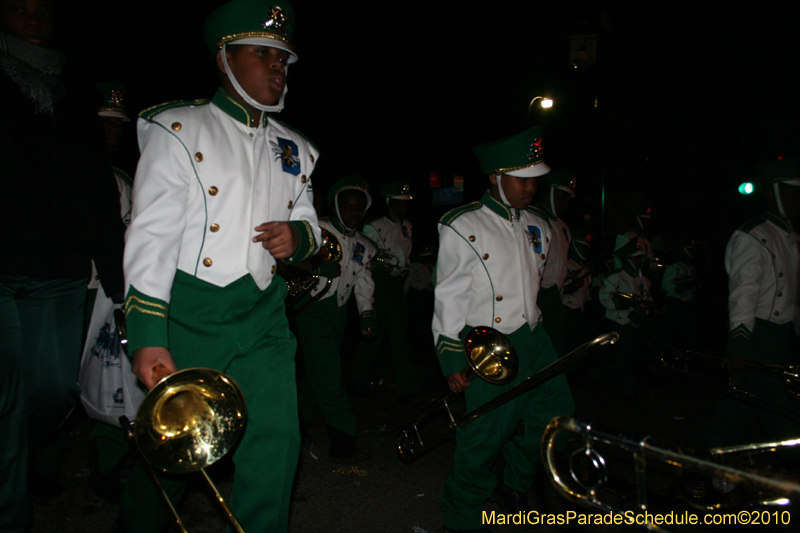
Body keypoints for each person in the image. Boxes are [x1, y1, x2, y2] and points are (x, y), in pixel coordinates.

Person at [119, 1, 320, 532]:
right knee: (175, 454)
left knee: (277, 441)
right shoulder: (178, 128)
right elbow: (152, 237)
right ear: (224, 58)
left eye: (283, 59)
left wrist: (300, 236)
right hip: (190, 312)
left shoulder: (295, 149)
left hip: (264, 316)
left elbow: (310, 221)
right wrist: (146, 335)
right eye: (262, 54)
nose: (278, 67)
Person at [0, 1, 126, 529]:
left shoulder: (75, 101)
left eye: (44, 10)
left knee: (53, 391)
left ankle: (21, 458)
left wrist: (119, 285)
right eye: (21, 8)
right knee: (4, 402)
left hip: (60, 271)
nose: (34, 17)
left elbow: (99, 192)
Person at [433, 126, 574, 533]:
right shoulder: (462, 223)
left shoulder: (539, 225)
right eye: (522, 179)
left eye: (535, 180)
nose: (531, 188)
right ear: (496, 177)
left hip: (534, 338)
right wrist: (451, 356)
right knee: (482, 440)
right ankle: (461, 516)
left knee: (555, 417)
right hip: (488, 344)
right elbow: (449, 295)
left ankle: (514, 485)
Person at [695, 157, 800, 455]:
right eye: (793, 194)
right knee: (784, 417)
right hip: (757, 337)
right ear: (772, 194)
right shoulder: (752, 235)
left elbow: (794, 297)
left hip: (778, 339)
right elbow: (744, 292)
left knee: (736, 412)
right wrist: (739, 343)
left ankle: (700, 466)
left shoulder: (791, 238)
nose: (798, 201)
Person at [296, 176, 376, 464]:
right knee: (329, 373)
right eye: (349, 206)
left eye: (359, 208)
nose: (354, 213)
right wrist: (315, 266)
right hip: (313, 307)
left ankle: (296, 422)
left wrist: (366, 312)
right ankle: (343, 441)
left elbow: (364, 280)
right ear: (337, 207)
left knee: (317, 371)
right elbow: (291, 261)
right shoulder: (318, 231)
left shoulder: (364, 245)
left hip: (339, 311)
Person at [349, 181, 420, 405]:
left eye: (404, 204)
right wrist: (386, 265)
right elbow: (368, 257)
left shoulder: (407, 226)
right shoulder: (375, 226)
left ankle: (407, 389)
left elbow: (405, 257)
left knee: (401, 340)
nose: (402, 208)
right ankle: (356, 384)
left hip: (397, 287)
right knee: (371, 339)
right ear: (389, 202)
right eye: (397, 203)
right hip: (378, 286)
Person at [528, 171, 576, 356]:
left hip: (556, 296)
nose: (566, 204)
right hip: (537, 296)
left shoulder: (562, 227)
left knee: (555, 350)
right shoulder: (531, 219)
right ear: (549, 193)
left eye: (568, 200)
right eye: (562, 198)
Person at [598, 234, 654, 381]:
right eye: (637, 258)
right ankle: (621, 387)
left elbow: (648, 298)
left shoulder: (643, 279)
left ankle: (601, 377)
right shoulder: (614, 277)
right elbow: (604, 298)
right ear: (628, 259)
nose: (640, 261)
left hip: (636, 321)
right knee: (625, 355)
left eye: (641, 258)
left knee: (632, 355)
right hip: (619, 321)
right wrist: (628, 303)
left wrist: (642, 309)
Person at [561, 229, 593, 354]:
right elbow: (559, 291)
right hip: (568, 311)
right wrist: (573, 286)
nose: (585, 251)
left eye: (586, 248)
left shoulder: (584, 268)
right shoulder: (566, 265)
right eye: (582, 247)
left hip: (580, 311)